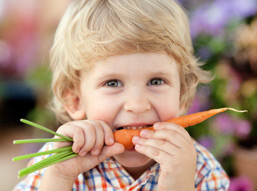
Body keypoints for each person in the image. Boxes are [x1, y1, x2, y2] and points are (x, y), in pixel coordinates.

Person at [14, 0, 230, 190]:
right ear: (76, 99)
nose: (137, 105)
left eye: (156, 81)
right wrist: (60, 177)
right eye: (113, 83)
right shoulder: (56, 162)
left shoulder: (200, 169)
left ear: (182, 94)